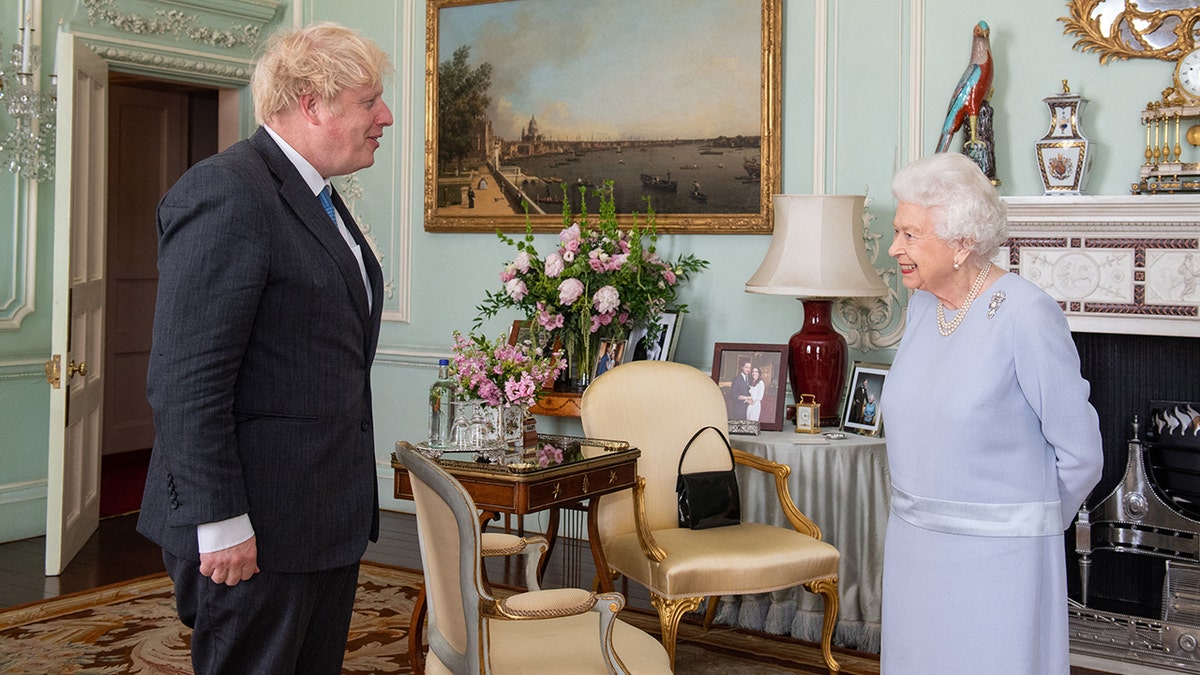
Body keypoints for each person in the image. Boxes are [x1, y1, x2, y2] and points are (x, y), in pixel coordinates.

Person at [137, 22, 392, 674]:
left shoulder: (318, 198)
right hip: (252, 528)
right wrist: (220, 520)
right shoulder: (229, 191)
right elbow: (185, 379)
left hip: (316, 519)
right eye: (370, 101)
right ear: (311, 101)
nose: (384, 117)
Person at [879, 152, 1103, 674]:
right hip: (915, 550)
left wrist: (1030, 525)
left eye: (910, 235)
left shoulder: (1026, 314)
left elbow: (1081, 454)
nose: (895, 249)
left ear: (961, 244)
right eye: (898, 232)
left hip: (1002, 564)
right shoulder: (922, 305)